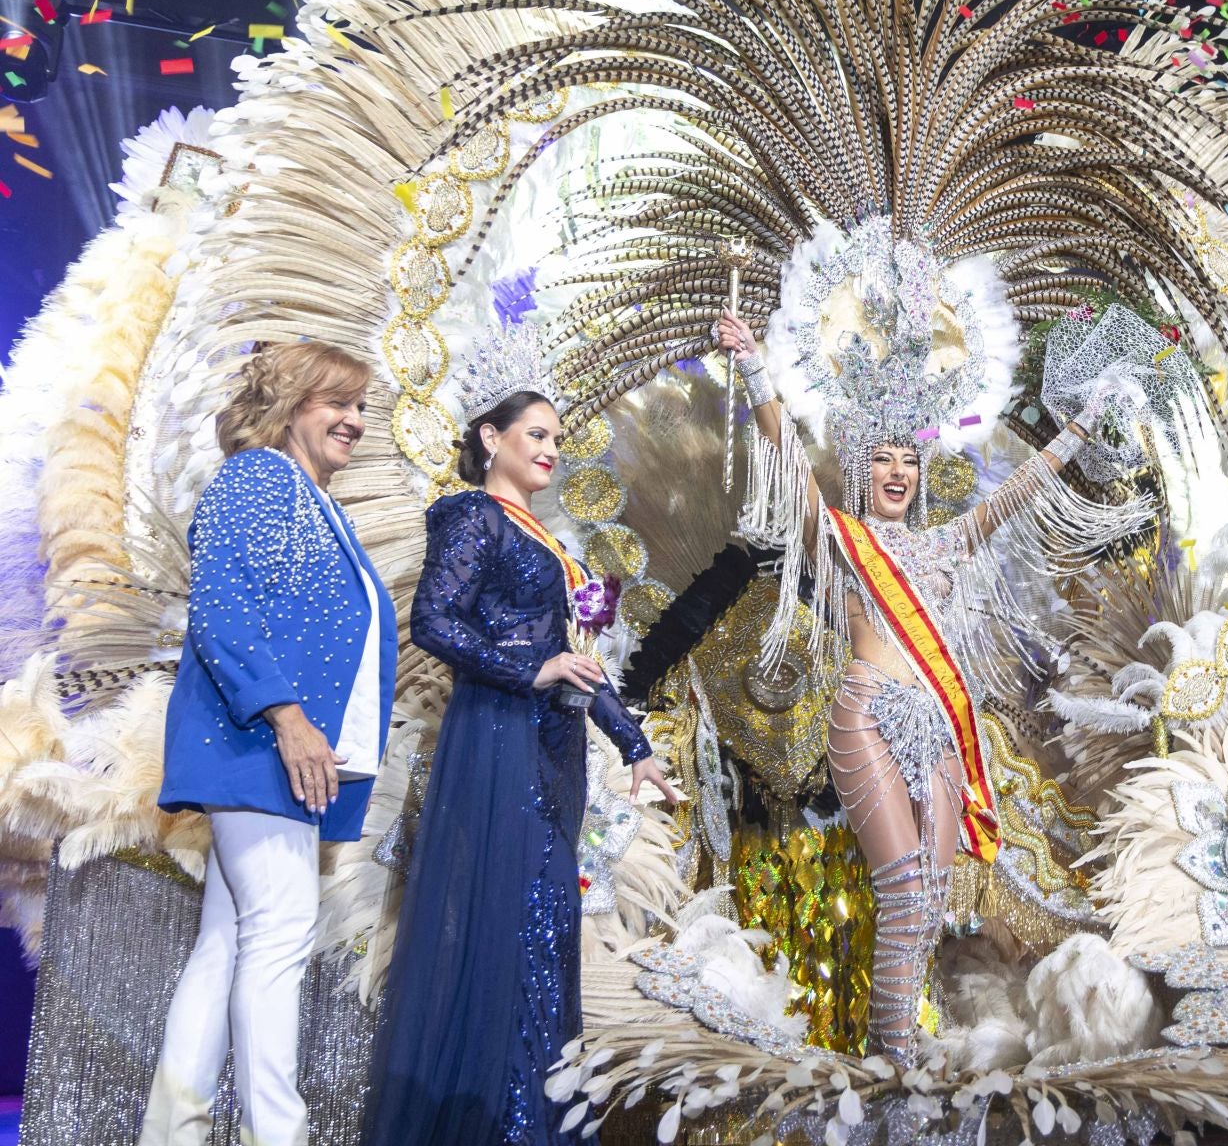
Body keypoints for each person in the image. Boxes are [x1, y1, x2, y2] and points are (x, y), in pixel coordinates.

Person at [712, 288, 1145, 1065]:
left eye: (909, 460)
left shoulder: (946, 546)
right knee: (904, 882)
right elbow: (785, 463)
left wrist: (1081, 423)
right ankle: (893, 1054)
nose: (899, 472)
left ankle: (899, 1045)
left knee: (932, 895)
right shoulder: (839, 541)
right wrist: (753, 371)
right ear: (859, 468)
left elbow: (1016, 494)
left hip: (939, 728)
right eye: (883, 458)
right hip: (869, 716)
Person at [362, 379, 680, 1146]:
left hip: (549, 748)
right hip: (498, 739)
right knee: (514, 924)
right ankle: (505, 1128)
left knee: (544, 929)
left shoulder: (545, 539)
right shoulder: (474, 515)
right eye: (534, 434)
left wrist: (634, 748)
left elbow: (571, 662)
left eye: (555, 439)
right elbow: (434, 620)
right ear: (489, 438)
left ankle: (530, 1122)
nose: (549, 450)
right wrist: (527, 672)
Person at [141, 341, 396, 1146]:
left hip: (273, 752)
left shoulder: (312, 500)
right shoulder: (260, 478)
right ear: (289, 406)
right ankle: (275, 1135)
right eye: (337, 403)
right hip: (262, 750)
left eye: (361, 406)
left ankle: (173, 1131)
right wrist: (288, 719)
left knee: (227, 942)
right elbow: (221, 607)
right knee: (279, 934)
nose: (354, 420)